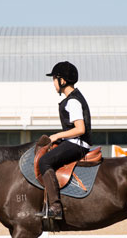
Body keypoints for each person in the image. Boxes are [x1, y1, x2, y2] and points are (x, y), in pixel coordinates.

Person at [39, 61, 92, 220]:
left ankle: (55, 206)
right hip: (75, 142)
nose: (53, 83)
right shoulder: (72, 98)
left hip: (78, 144)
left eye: (54, 79)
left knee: (44, 162)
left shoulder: (73, 101)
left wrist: (57, 136)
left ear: (62, 80)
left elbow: (80, 129)